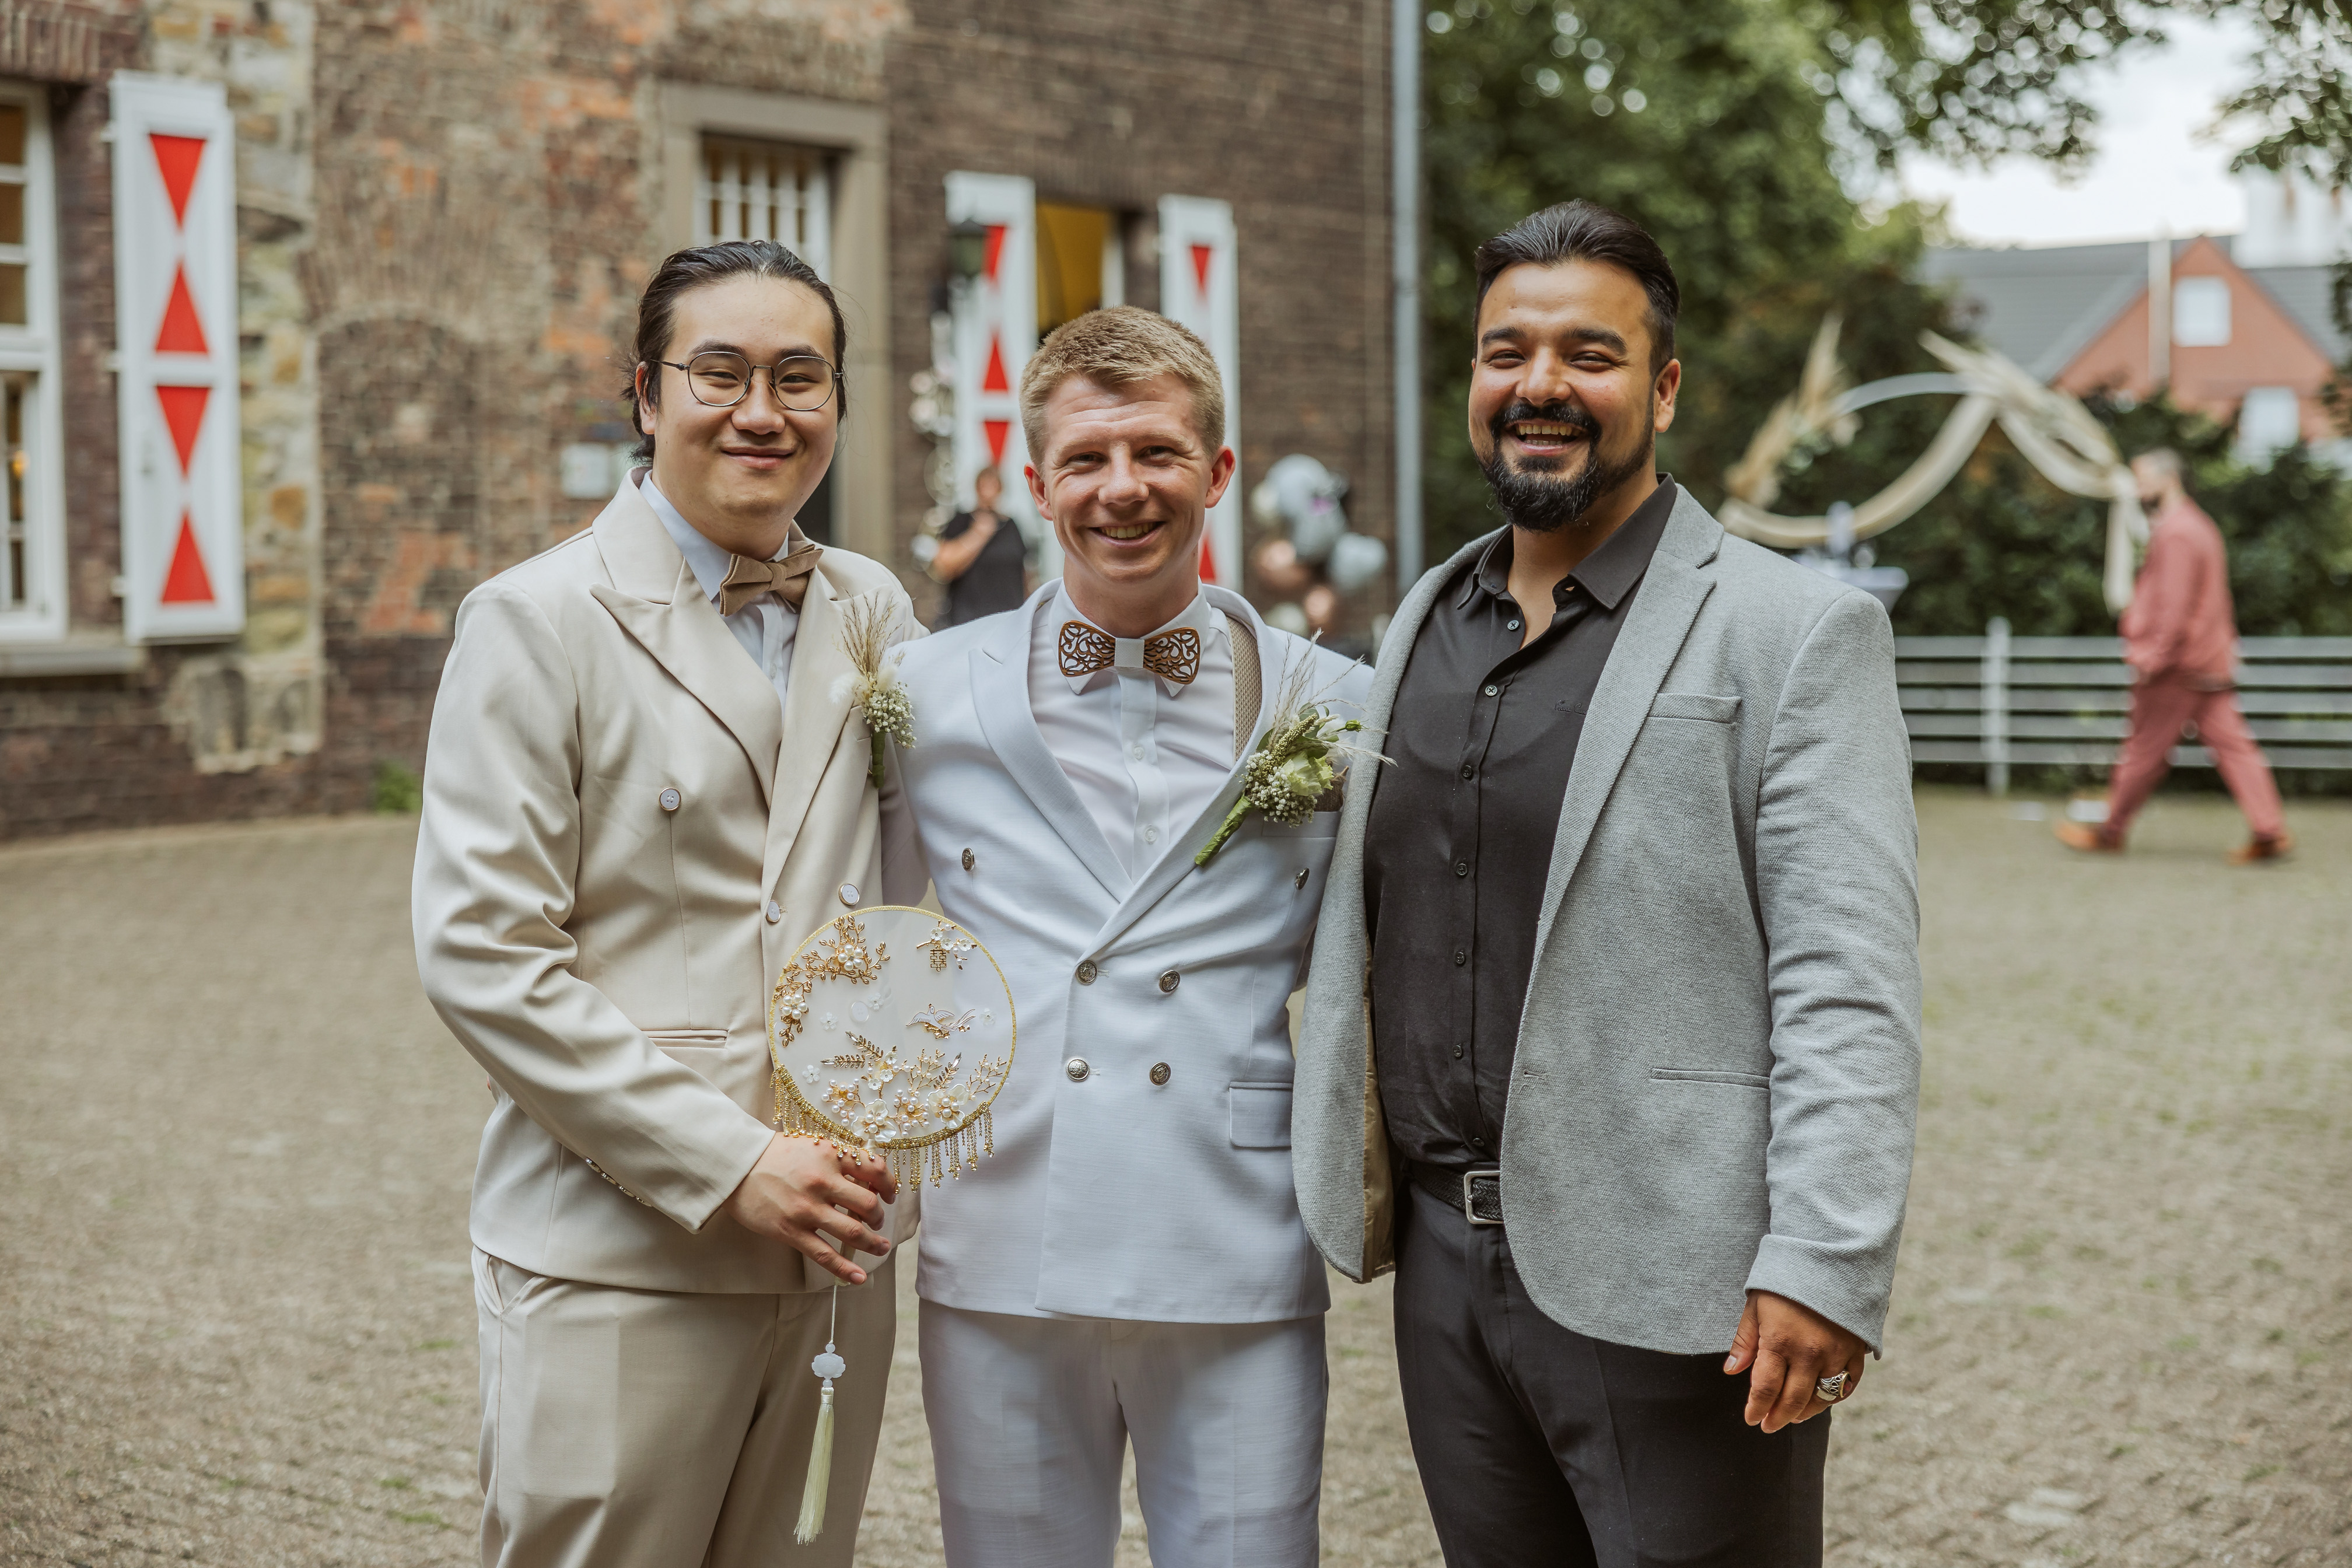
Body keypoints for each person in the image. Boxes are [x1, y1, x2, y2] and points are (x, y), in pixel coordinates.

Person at [1291, 201, 1923, 1566]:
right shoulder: (1426, 621)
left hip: (1682, 1273)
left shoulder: (1795, 631)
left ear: (1664, 386)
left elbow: (1849, 977)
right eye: (1506, 352)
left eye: (1590, 354)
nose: (1541, 385)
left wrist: (1824, 1260)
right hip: (1443, 1270)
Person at [412, 239, 919, 1568]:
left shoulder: (872, 610)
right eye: (720, 373)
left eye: (800, 377)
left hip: (836, 1256)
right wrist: (732, 1161)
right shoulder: (534, 619)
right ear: (645, 395)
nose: (763, 411)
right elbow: (482, 955)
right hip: (621, 1254)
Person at [880, 306, 1370, 1568]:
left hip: (1232, 1229)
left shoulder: (1339, 704)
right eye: (1087, 459)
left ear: (1217, 470)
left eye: (1156, 451)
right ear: (1038, 483)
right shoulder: (927, 691)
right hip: (1001, 1230)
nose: (1123, 488)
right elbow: (856, 938)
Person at [2056, 448, 2291, 862]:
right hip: (2207, 661)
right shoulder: (2199, 525)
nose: (2137, 490)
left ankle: (2110, 831)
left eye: (2143, 480)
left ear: (2169, 479)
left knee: (2143, 750)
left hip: (2177, 666)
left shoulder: (2177, 532)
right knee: (2235, 748)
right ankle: (2269, 829)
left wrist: (2153, 658)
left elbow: (2174, 608)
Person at [930, 466, 1030, 625]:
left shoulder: (1011, 526)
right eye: (984, 486)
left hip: (1008, 620)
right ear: (977, 488)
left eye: (993, 486)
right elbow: (944, 566)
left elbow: (1023, 573)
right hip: (968, 621)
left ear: (1001, 489)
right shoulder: (961, 521)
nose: (988, 492)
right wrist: (978, 535)